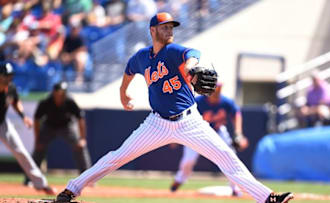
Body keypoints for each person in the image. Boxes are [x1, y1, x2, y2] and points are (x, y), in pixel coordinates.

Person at [55, 12, 294, 203]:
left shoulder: (173, 50)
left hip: (190, 121)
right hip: (156, 124)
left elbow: (193, 53)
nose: (170, 30)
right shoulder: (141, 57)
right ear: (153, 30)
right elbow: (129, 71)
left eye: (171, 27)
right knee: (116, 157)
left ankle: (267, 197)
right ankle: (72, 189)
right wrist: (123, 93)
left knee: (227, 158)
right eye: (165, 27)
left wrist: (191, 67)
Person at [170, 82, 249, 196]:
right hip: (195, 133)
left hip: (217, 131)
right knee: (188, 160)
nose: (217, 91)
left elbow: (236, 114)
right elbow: (182, 115)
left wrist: (238, 134)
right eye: (215, 88)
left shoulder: (225, 102)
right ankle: (180, 179)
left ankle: (235, 186)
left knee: (231, 156)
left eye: (219, 89)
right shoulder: (198, 102)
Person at [0, 62, 55, 195]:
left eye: (10, 75)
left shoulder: (11, 88)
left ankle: (41, 184)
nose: (8, 78)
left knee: (21, 151)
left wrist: (23, 116)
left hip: (3, 123)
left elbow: (15, 102)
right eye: (5, 75)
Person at [24, 81, 91, 186]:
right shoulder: (46, 101)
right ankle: (30, 179)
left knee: (80, 146)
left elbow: (80, 118)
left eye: (62, 93)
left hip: (67, 126)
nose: (60, 95)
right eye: (58, 93)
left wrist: (82, 138)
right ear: (54, 93)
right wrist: (37, 139)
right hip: (49, 126)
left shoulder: (69, 101)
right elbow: (37, 119)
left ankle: (87, 179)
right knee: (39, 148)